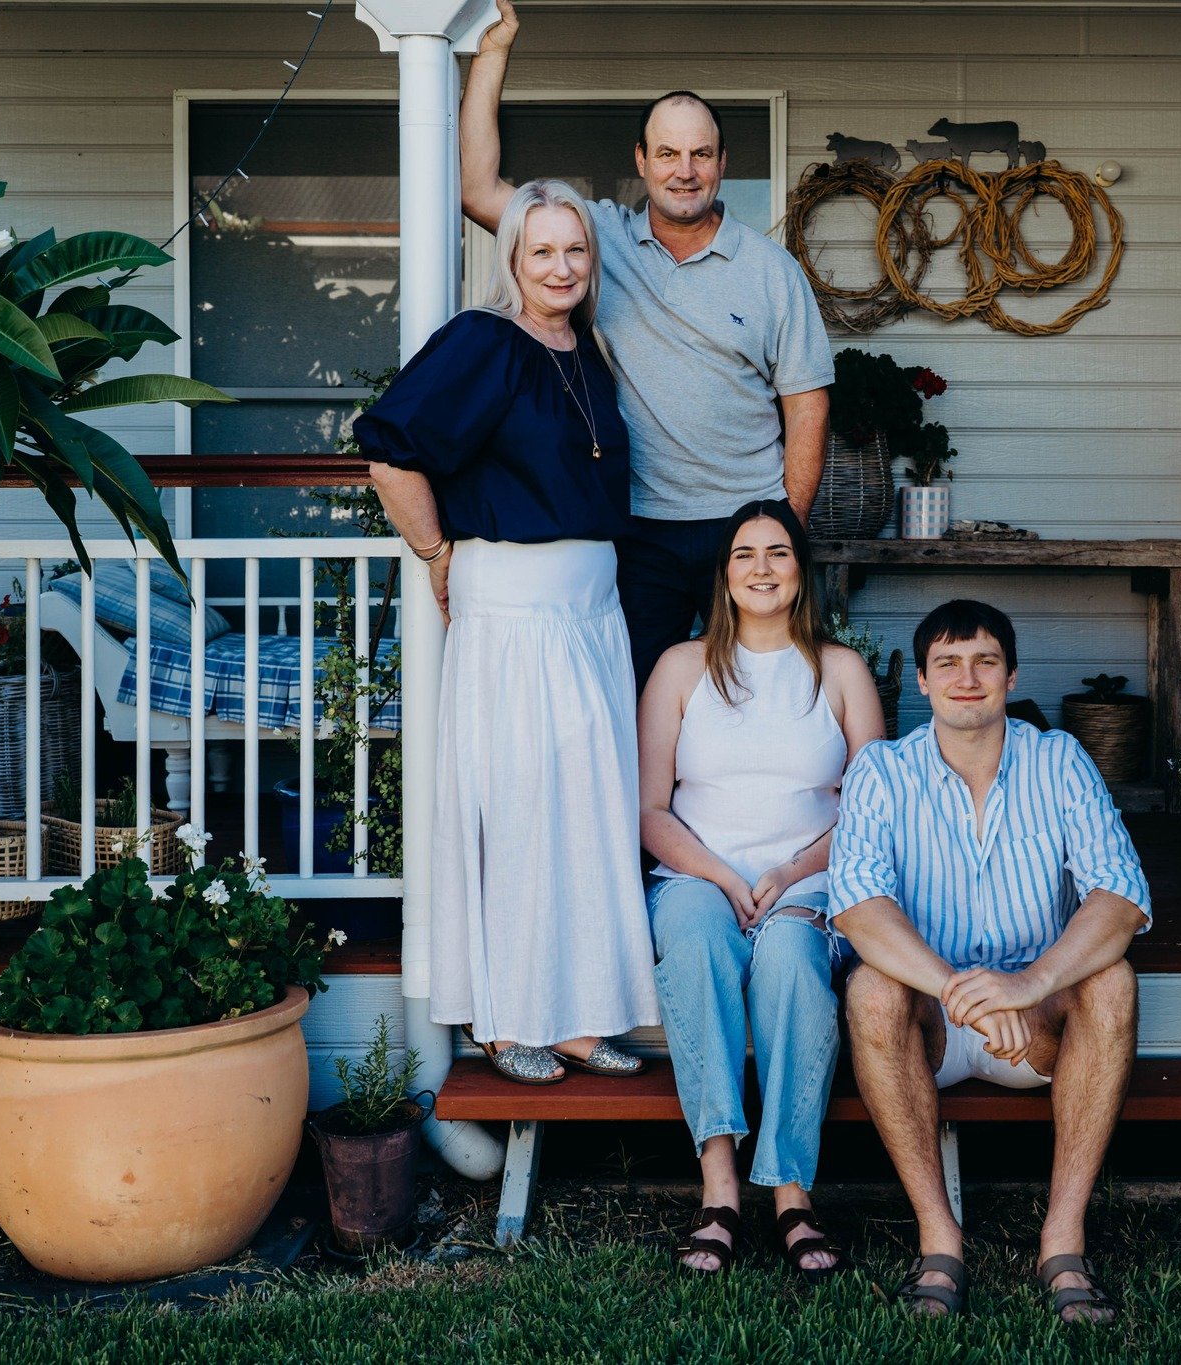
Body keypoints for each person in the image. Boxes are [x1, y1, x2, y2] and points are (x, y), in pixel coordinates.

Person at [359, 179, 658, 1085]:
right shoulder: (484, 340)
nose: (561, 267)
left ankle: (572, 1016)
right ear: (513, 261)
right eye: (542, 252)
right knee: (523, 813)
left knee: (585, 815)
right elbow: (390, 448)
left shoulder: (586, 348)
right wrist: (435, 549)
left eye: (576, 251)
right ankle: (504, 1018)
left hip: (589, 615)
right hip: (518, 613)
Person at [460, 1, 835, 686]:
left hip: (744, 521)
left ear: (722, 162)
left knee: (766, 687)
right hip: (637, 527)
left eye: (700, 153)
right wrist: (493, 53)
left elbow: (806, 405)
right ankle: (644, 801)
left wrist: (785, 528)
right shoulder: (595, 243)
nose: (684, 170)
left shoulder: (772, 272)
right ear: (642, 160)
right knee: (629, 695)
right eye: (667, 153)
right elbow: (478, 189)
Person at [828, 601, 1151, 1324]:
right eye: (948, 662)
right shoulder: (882, 770)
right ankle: (939, 1239)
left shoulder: (1058, 759)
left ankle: (1062, 1239)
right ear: (921, 680)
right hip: (929, 1024)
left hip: (1032, 1023)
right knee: (871, 988)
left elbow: (1121, 897)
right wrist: (961, 991)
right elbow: (856, 906)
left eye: (984, 661)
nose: (966, 678)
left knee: (1112, 979)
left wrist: (1027, 984)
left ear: (1010, 676)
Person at [638, 501, 885, 1280]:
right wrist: (721, 873)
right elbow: (649, 808)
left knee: (788, 961)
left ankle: (790, 1192)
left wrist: (787, 873)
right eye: (745, 554)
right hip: (696, 874)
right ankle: (719, 1187)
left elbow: (874, 810)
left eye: (779, 552)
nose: (762, 567)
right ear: (725, 574)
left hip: (808, 879)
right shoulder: (682, 666)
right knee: (700, 939)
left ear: (800, 572)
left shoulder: (840, 670)